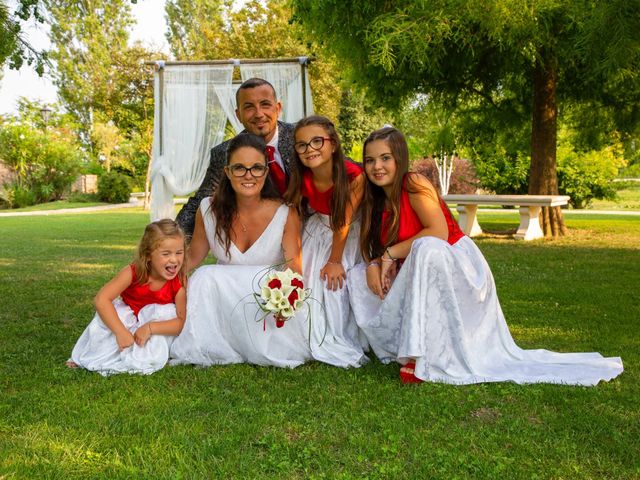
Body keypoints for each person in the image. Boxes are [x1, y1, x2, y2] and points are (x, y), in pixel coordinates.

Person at [348, 126, 624, 385]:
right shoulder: (374, 199)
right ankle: (392, 344)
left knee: (426, 248)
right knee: (357, 275)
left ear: (400, 158)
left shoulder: (414, 183)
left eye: (385, 158)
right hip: (417, 264)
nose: (377, 167)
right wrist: (374, 263)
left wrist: (388, 256)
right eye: (370, 160)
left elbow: (439, 232)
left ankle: (426, 355)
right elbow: (373, 246)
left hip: (453, 262)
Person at [170, 133, 312, 367]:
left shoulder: (286, 211)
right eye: (239, 168)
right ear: (227, 172)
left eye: (256, 168)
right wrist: (155, 278)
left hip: (266, 303)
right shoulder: (207, 209)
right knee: (205, 276)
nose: (248, 176)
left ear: (266, 172)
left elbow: (293, 265)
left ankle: (260, 342)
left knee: (254, 278)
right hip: (224, 303)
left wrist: (288, 300)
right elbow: (194, 256)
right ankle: (217, 340)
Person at [284, 115, 368, 368]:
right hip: (317, 230)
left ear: (332, 144)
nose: (310, 149)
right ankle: (302, 334)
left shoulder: (354, 175)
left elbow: (342, 221)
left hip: (346, 234)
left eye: (317, 141)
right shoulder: (301, 176)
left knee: (334, 286)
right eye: (302, 145)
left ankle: (342, 334)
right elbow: (294, 212)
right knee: (305, 281)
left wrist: (334, 260)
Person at [176, 78, 295, 238]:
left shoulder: (302, 137)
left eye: (265, 104)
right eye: (249, 107)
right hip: (261, 236)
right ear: (238, 115)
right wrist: (168, 240)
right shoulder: (225, 153)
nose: (259, 114)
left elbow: (337, 173)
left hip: (310, 232)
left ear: (278, 108)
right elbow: (200, 202)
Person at [68, 219, 187, 376]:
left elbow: (180, 323)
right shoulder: (133, 272)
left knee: (166, 313)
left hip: (155, 326)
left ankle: (145, 356)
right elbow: (101, 299)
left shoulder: (179, 282)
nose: (174, 259)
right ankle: (93, 354)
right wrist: (120, 332)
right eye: (166, 254)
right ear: (148, 255)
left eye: (179, 252)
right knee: (111, 317)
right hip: (128, 321)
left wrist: (150, 328)